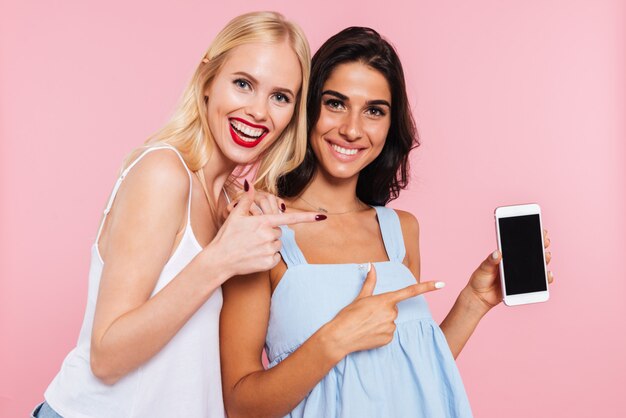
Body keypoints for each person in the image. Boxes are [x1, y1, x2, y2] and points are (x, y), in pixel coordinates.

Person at [219, 27, 553, 418]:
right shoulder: (262, 228)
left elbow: (415, 371)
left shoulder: (401, 230)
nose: (352, 129)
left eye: (374, 110)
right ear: (309, 109)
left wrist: (474, 302)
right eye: (336, 103)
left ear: (390, 125)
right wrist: (334, 339)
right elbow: (241, 405)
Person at [32, 12, 324, 418]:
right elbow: (107, 355)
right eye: (243, 84)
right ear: (208, 79)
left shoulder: (228, 205)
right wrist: (220, 260)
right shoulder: (164, 173)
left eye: (280, 97)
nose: (259, 111)